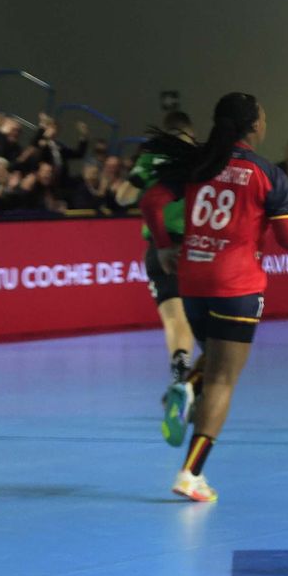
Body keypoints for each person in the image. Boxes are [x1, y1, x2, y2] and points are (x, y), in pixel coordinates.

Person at [167, 93, 288, 502]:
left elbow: (156, 200)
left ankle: (187, 387)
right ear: (254, 126)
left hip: (191, 278)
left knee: (213, 360)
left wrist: (165, 242)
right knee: (223, 380)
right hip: (236, 285)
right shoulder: (267, 173)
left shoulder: (197, 162)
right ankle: (190, 473)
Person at [117, 111, 202, 445]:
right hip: (197, 247)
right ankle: (193, 386)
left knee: (173, 319)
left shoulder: (150, 157)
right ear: (190, 132)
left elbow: (122, 196)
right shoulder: (202, 156)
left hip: (158, 246)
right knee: (207, 327)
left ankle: (180, 371)